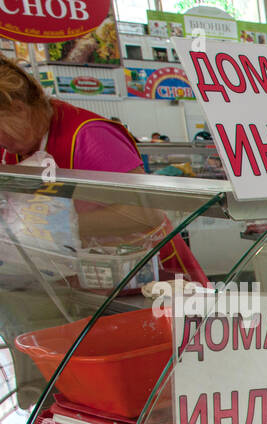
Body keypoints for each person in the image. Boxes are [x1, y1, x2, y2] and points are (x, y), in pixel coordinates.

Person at [0, 56, 204, 282]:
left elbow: (146, 214)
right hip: (88, 279)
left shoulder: (90, 136)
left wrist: (54, 229)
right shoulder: (15, 147)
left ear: (18, 108)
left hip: (151, 277)